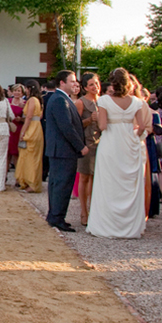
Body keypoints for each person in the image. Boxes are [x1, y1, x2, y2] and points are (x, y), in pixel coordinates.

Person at [87, 68, 150, 239]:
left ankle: (106, 225)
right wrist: (133, 136)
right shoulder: (137, 101)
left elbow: (102, 126)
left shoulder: (105, 100)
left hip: (111, 143)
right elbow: (142, 126)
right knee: (129, 185)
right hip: (129, 142)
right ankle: (130, 226)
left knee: (107, 184)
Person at [45, 70, 90, 232]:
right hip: (63, 150)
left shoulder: (62, 99)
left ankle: (55, 216)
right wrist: (81, 146)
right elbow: (67, 127)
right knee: (62, 185)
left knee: (58, 184)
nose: (75, 84)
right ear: (62, 83)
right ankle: (57, 217)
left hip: (61, 150)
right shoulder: (59, 100)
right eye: (72, 81)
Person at [75, 73, 101, 224]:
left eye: (96, 84)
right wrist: (89, 119)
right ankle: (84, 211)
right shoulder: (81, 102)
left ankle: (94, 209)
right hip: (87, 142)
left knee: (96, 178)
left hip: (101, 143)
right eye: (91, 84)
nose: (95, 87)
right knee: (85, 176)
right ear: (85, 87)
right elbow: (76, 125)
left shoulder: (103, 102)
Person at [15, 80, 44, 193]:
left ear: (29, 88)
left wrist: (23, 132)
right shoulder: (39, 100)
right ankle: (30, 181)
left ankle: (31, 182)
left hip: (31, 128)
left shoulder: (32, 100)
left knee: (29, 157)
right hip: (37, 127)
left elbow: (28, 117)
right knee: (33, 156)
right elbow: (40, 116)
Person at [8, 84, 26, 168]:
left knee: (16, 153)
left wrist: (21, 119)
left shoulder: (25, 103)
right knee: (7, 153)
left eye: (19, 91)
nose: (17, 92)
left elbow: (28, 117)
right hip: (9, 128)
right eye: (15, 90)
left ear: (22, 92)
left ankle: (17, 177)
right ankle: (4, 176)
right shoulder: (8, 101)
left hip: (18, 129)